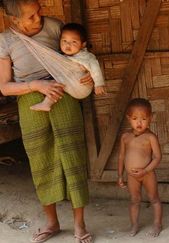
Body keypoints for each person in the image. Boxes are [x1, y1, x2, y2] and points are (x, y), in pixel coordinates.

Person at [0, 1, 93, 242]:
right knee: (41, 161)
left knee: (73, 158)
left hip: (63, 94)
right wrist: (36, 85)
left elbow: (75, 56)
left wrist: (87, 73)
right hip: (30, 102)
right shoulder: (5, 41)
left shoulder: (54, 27)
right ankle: (52, 223)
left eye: (38, 11)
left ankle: (79, 225)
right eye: (30, 16)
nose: (38, 18)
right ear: (14, 20)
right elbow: (4, 87)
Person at [30, 22, 106, 111]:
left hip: (82, 86)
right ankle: (46, 104)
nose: (68, 45)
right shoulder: (63, 57)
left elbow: (95, 68)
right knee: (56, 84)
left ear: (83, 45)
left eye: (74, 42)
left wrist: (99, 84)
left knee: (57, 83)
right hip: (72, 85)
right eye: (64, 41)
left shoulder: (86, 57)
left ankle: (46, 103)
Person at [117, 98, 163, 237]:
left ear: (151, 118)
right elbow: (121, 157)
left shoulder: (150, 137)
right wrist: (120, 175)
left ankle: (157, 224)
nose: (139, 122)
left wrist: (146, 170)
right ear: (128, 118)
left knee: (154, 198)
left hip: (148, 174)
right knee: (134, 200)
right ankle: (134, 225)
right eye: (135, 118)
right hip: (132, 176)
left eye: (143, 118)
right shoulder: (125, 137)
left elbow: (157, 157)